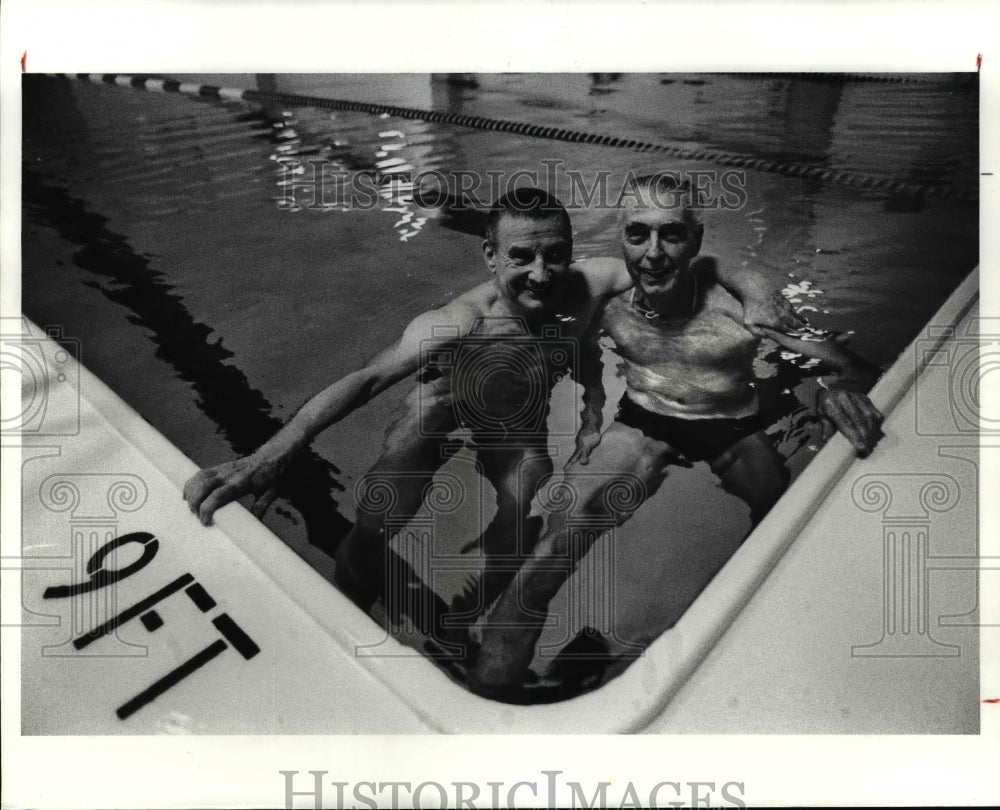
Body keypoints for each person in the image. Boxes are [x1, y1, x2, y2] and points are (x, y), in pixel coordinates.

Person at [182, 186, 798, 633]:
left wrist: (759, 289)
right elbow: (367, 378)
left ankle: (481, 614)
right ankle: (344, 615)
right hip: (441, 408)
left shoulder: (595, 281)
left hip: (516, 418)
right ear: (490, 258)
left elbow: (690, 261)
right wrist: (272, 453)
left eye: (554, 255)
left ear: (571, 251)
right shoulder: (458, 323)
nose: (539, 274)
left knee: (521, 510)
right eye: (520, 257)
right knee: (381, 519)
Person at [468, 174, 885, 698]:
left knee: (788, 540)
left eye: (671, 235)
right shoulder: (604, 298)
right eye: (638, 235)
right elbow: (513, 283)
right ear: (620, 239)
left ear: (697, 240)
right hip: (646, 416)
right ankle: (486, 699)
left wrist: (832, 390)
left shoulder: (742, 310)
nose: (654, 254)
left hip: (732, 424)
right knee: (550, 552)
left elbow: (855, 365)